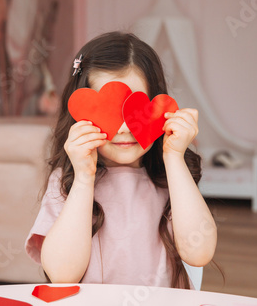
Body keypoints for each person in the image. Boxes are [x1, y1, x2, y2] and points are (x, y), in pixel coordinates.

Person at [25, 31, 217, 289]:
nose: (125, 128)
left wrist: (173, 157)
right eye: (110, 111)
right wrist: (83, 178)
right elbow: (62, 275)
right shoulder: (68, 180)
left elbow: (199, 253)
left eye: (136, 109)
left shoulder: (169, 177)